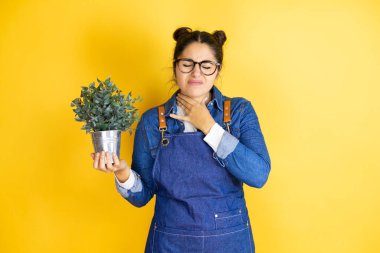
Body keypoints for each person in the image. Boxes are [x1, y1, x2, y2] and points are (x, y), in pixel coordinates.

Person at [91, 27, 271, 253]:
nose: (196, 73)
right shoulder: (152, 122)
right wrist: (123, 173)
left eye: (206, 66)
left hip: (229, 241)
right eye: (187, 64)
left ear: (217, 71)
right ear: (175, 66)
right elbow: (142, 196)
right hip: (170, 241)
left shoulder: (238, 112)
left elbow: (259, 175)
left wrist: (209, 127)